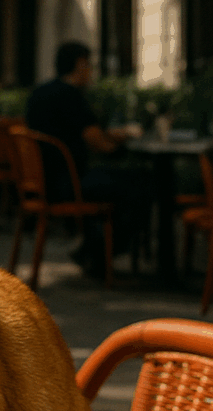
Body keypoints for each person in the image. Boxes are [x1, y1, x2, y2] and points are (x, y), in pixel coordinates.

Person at [25, 41, 153, 276]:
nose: (92, 71)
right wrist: (121, 141)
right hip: (69, 184)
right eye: (90, 65)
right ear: (80, 65)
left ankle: (93, 247)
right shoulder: (71, 96)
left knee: (121, 182)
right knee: (142, 184)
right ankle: (100, 251)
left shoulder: (39, 93)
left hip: (42, 183)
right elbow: (99, 143)